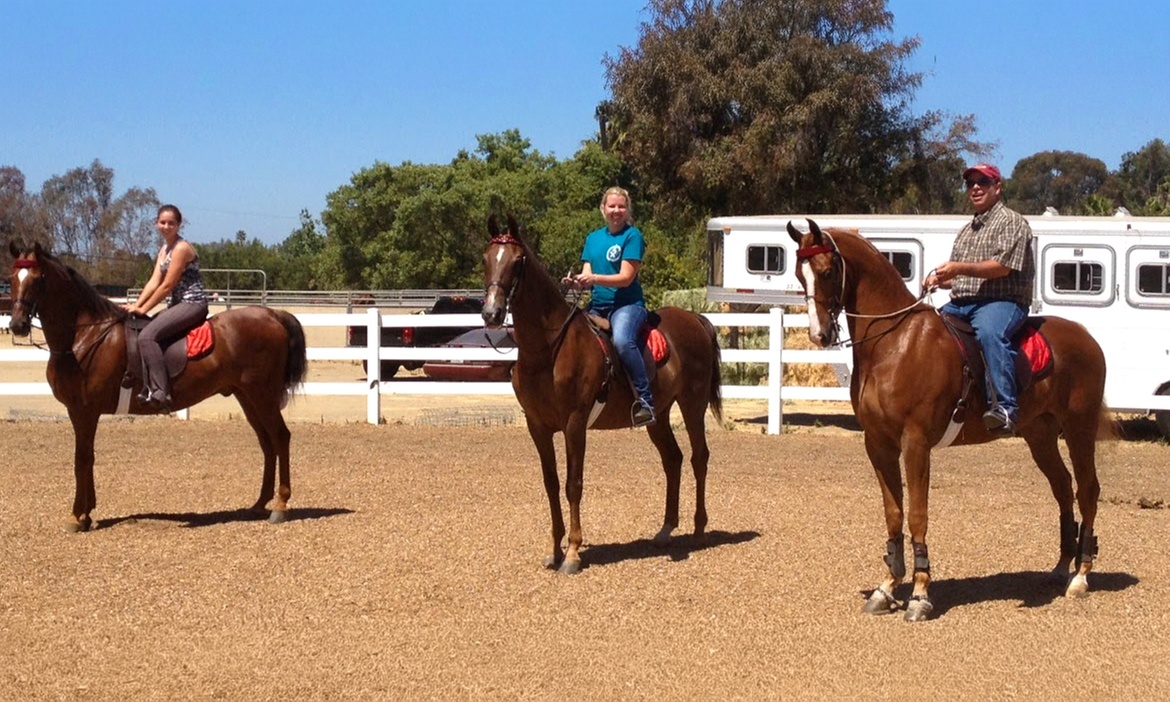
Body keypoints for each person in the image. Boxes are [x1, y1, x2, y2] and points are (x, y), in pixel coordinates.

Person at [925, 163, 1035, 436]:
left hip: (1002, 302)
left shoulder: (1012, 222)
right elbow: (963, 278)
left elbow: (1002, 267)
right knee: (928, 331)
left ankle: (1005, 409)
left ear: (997, 188)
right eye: (970, 183)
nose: (975, 187)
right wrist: (940, 281)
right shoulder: (966, 231)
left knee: (989, 334)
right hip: (962, 303)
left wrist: (958, 268)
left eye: (983, 182)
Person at [563, 186, 656, 428]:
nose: (616, 211)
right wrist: (575, 282)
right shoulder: (593, 239)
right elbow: (587, 275)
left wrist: (593, 279)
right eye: (612, 206)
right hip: (597, 305)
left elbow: (626, 277)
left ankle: (645, 401)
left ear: (627, 210)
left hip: (626, 305)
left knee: (623, 342)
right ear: (603, 209)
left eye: (621, 206)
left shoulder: (632, 236)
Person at [122, 204, 210, 410]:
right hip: (177, 304)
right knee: (142, 328)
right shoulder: (164, 249)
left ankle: (161, 392)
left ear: (179, 225)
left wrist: (143, 309)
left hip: (192, 303)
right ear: (156, 224)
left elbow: (167, 285)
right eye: (162, 222)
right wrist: (137, 305)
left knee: (147, 336)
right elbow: (153, 282)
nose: (166, 226)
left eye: (171, 223)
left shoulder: (181, 248)